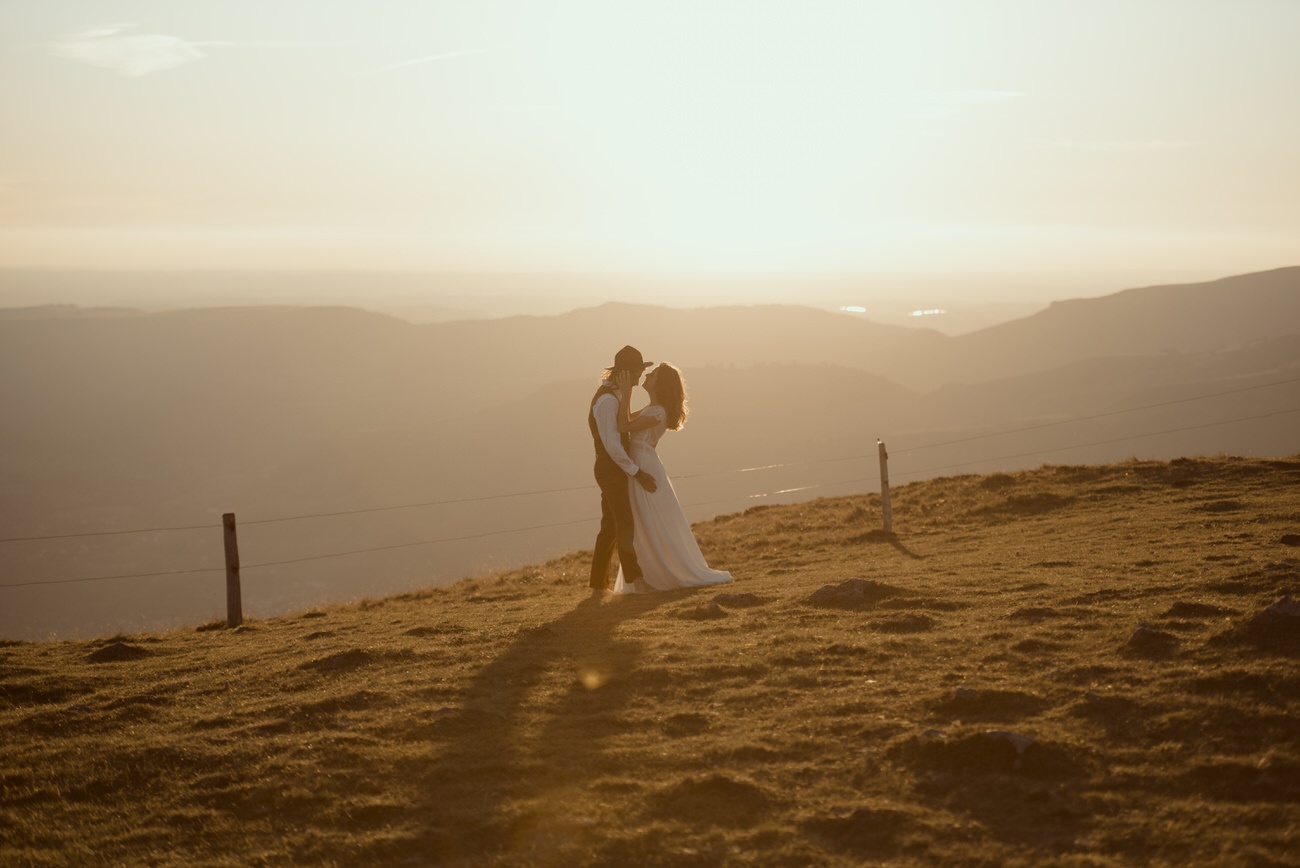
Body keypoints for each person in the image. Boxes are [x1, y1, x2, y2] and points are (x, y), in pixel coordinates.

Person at [611, 363, 733, 593]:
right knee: (643, 520)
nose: (648, 374)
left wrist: (627, 391)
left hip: (644, 465)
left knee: (649, 518)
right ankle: (647, 573)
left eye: (653, 374)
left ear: (661, 383)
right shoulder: (652, 408)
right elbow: (625, 420)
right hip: (641, 463)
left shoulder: (658, 413)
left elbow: (622, 425)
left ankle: (661, 573)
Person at [588, 345, 659, 596]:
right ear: (626, 373)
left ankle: (598, 586)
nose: (639, 380)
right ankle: (637, 581)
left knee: (609, 526)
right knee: (624, 523)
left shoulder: (613, 396)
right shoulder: (607, 401)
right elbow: (612, 446)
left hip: (611, 468)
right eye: (638, 374)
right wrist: (636, 472)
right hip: (611, 469)